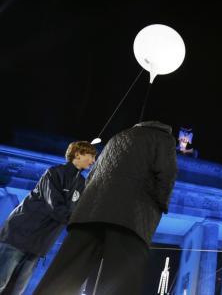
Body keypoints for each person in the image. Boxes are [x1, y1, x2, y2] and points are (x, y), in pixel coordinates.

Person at [32, 121, 178, 295]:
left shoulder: (119, 136)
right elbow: (167, 173)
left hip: (90, 212)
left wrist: (85, 206)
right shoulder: (163, 138)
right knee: (119, 282)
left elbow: (93, 174)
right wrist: (161, 204)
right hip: (131, 217)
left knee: (63, 274)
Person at [0, 141, 96, 294]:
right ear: (77, 154)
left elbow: (80, 210)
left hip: (39, 245)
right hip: (18, 236)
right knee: (1, 282)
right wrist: (76, 221)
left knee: (16, 290)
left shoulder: (81, 183)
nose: (93, 161)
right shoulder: (54, 173)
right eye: (91, 156)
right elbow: (55, 206)